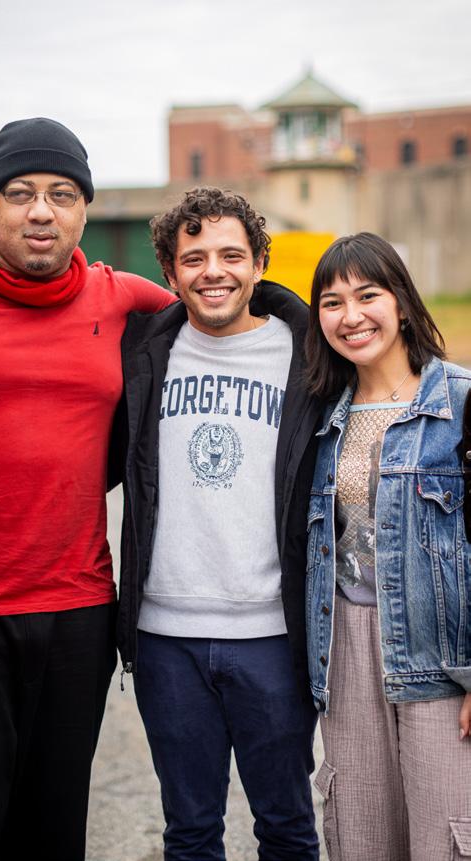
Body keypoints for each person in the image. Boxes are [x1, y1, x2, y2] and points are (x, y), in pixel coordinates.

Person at [0, 117, 174, 861]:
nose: (41, 211)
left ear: (85, 209)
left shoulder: (119, 296)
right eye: (20, 193)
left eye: (62, 194)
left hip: (78, 610)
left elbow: (222, 312)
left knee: (53, 828)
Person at [118, 187, 321, 860]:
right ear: (170, 273)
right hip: (166, 636)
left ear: (259, 263)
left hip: (272, 634)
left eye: (232, 255)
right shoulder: (145, 354)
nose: (214, 271)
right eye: (194, 258)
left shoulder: (309, 354)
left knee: (287, 827)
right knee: (190, 832)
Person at [304, 232, 471, 860]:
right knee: (361, 835)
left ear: (401, 301)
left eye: (367, 295)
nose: (351, 316)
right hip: (345, 648)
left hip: (442, 653)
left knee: (446, 835)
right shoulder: (321, 416)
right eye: (331, 302)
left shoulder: (460, 401)